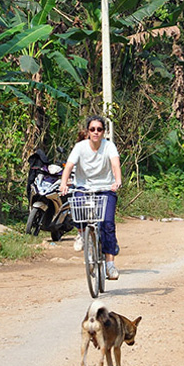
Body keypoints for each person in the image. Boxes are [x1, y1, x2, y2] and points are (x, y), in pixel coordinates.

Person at [59, 115, 123, 280]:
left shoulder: (109, 146)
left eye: (99, 129)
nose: (96, 132)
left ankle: (110, 264)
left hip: (105, 189)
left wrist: (118, 181)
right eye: (92, 129)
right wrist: (64, 183)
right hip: (84, 188)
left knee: (107, 224)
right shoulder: (80, 147)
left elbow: (115, 164)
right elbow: (69, 166)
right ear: (88, 131)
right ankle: (82, 234)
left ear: (103, 132)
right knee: (77, 205)